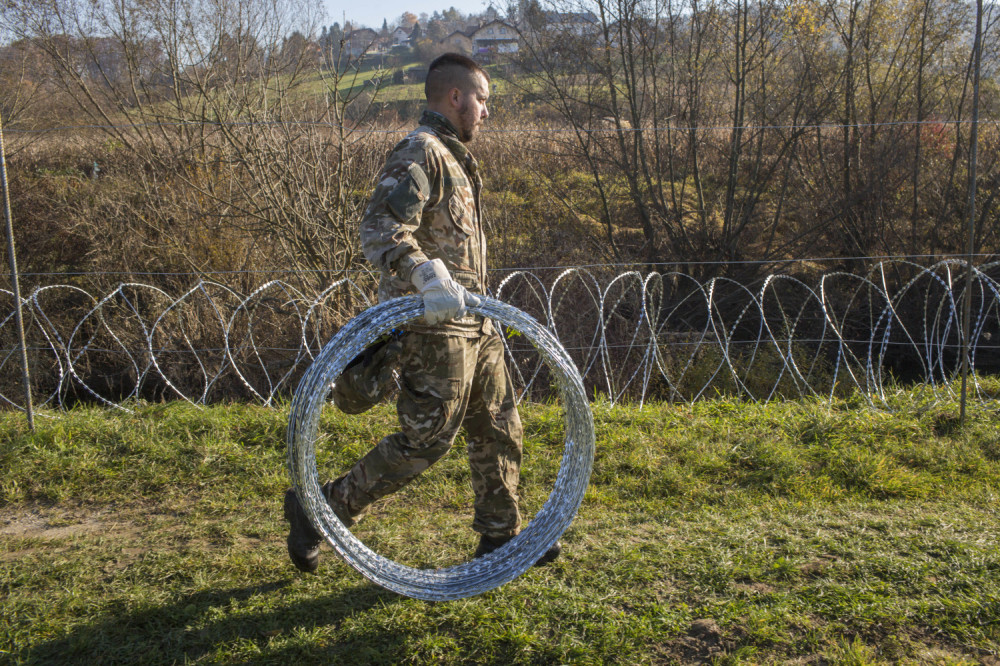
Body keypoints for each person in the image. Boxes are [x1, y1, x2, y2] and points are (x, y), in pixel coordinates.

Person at [284, 53, 560, 574]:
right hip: (435, 326)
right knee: (427, 440)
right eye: (482, 100)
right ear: (456, 97)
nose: (486, 112)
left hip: (477, 320)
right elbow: (380, 227)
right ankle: (320, 510)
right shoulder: (423, 150)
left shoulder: (457, 158)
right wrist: (423, 274)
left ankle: (500, 535)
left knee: (499, 426)